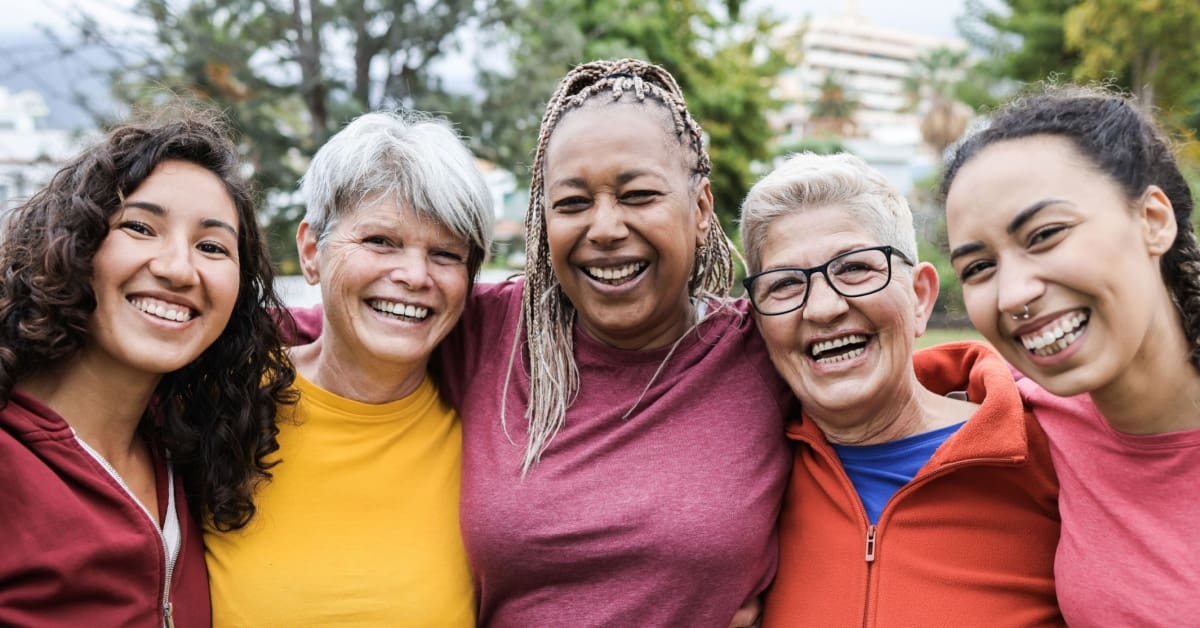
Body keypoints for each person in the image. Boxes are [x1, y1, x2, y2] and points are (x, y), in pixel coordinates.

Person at [289, 58, 791, 627]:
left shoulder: (764, 350)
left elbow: (881, 400)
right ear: (542, 218)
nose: (604, 228)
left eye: (638, 195)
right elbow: (334, 325)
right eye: (573, 203)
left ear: (701, 209)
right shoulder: (490, 333)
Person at [0, 105, 294, 627]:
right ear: (72, 243)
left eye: (211, 246)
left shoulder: (189, 445)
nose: (178, 269)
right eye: (140, 227)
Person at [739, 153, 1061, 626]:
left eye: (854, 269)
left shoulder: (1055, 454)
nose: (824, 308)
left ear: (920, 297)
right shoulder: (743, 490)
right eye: (785, 284)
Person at [204, 111, 493, 625]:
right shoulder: (221, 403)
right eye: (381, 241)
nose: (413, 275)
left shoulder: (488, 437)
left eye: (446, 254)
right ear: (312, 251)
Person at [942, 86, 1200, 625]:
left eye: (1045, 235)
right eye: (979, 268)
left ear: (1153, 220)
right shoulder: (1021, 414)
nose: (1013, 295)